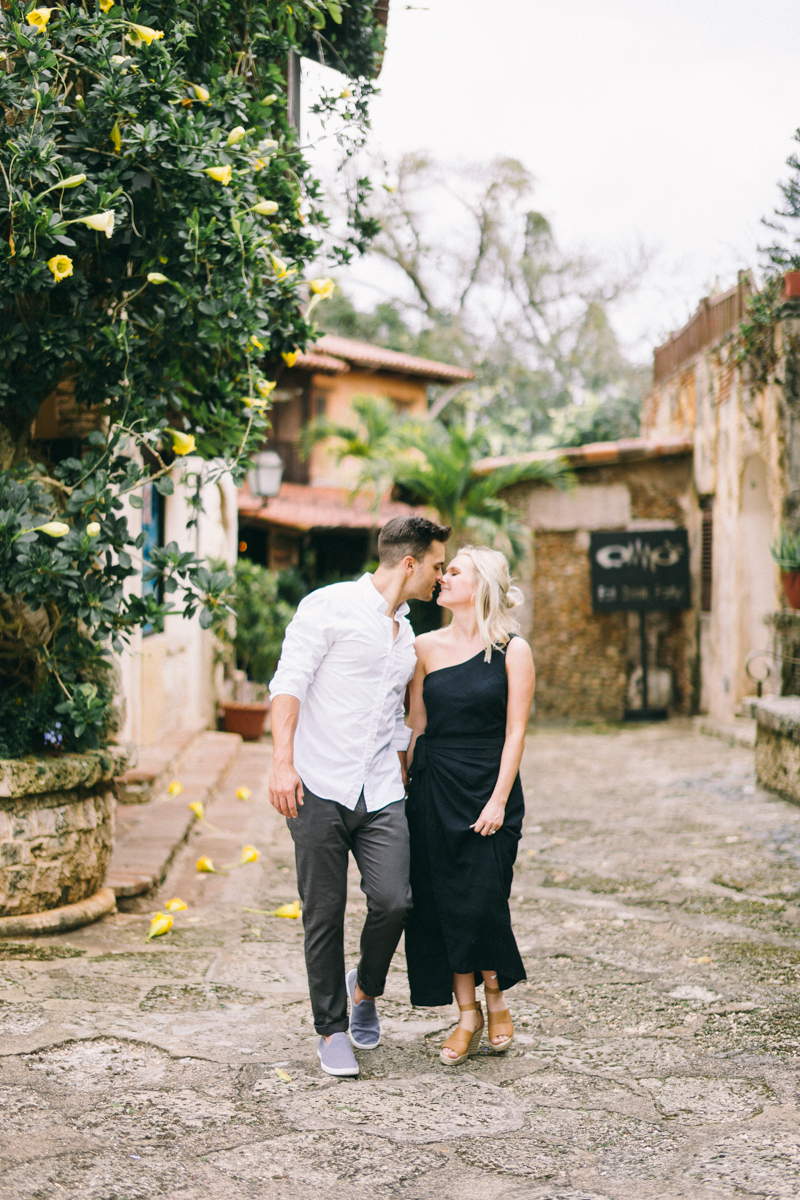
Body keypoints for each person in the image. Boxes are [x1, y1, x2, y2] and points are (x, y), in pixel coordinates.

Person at [268, 515, 450, 1078]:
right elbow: (288, 685)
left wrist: (403, 775)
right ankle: (331, 1029)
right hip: (318, 784)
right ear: (411, 563)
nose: (441, 578)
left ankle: (366, 989)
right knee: (323, 913)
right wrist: (281, 764)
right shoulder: (327, 607)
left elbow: (397, 718)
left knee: (396, 900)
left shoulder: (408, 635)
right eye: (438, 566)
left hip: (379, 790)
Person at [404, 545, 535, 1065]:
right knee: (441, 900)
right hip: (434, 784)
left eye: (453, 572)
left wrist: (499, 800)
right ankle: (467, 1014)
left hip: (489, 785)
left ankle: (497, 999)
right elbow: (417, 726)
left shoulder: (511, 648)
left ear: (480, 584)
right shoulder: (423, 647)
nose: (442, 578)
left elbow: (516, 731)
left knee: (483, 897)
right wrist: (399, 792)